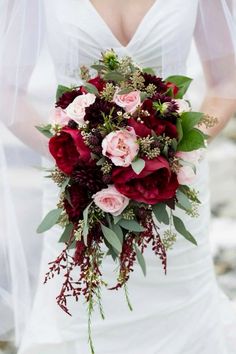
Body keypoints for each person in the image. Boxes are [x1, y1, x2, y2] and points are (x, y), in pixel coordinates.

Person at [1, 0, 236, 353]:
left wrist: (179, 150)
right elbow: (7, 91)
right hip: (79, 196)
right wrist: (73, 157)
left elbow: (225, 81)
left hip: (171, 190)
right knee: (77, 316)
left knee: (183, 321)